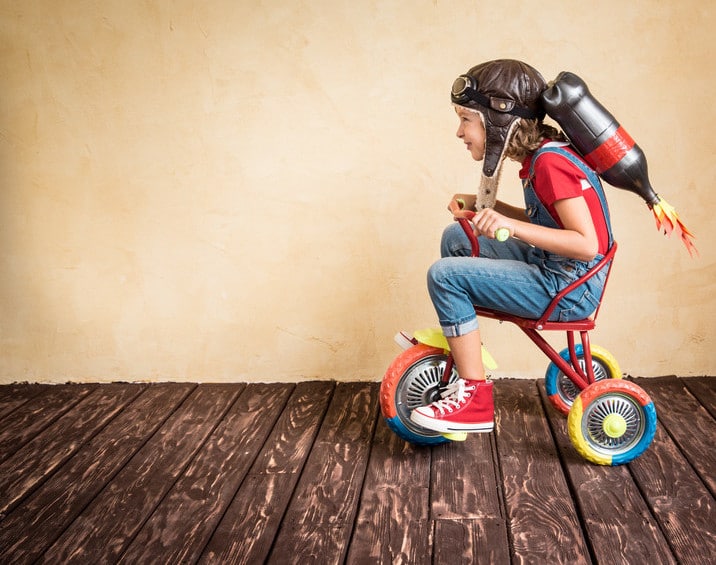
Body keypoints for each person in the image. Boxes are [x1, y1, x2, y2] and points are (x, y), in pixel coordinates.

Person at [410, 59, 613, 434]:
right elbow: (549, 223)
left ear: (499, 121)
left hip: (566, 289)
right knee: (456, 237)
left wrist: (510, 227)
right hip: (555, 269)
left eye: (466, 119)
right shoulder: (542, 157)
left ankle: (474, 399)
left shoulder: (550, 163)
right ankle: (466, 348)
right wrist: (490, 207)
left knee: (445, 277)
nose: (459, 131)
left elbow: (587, 245)